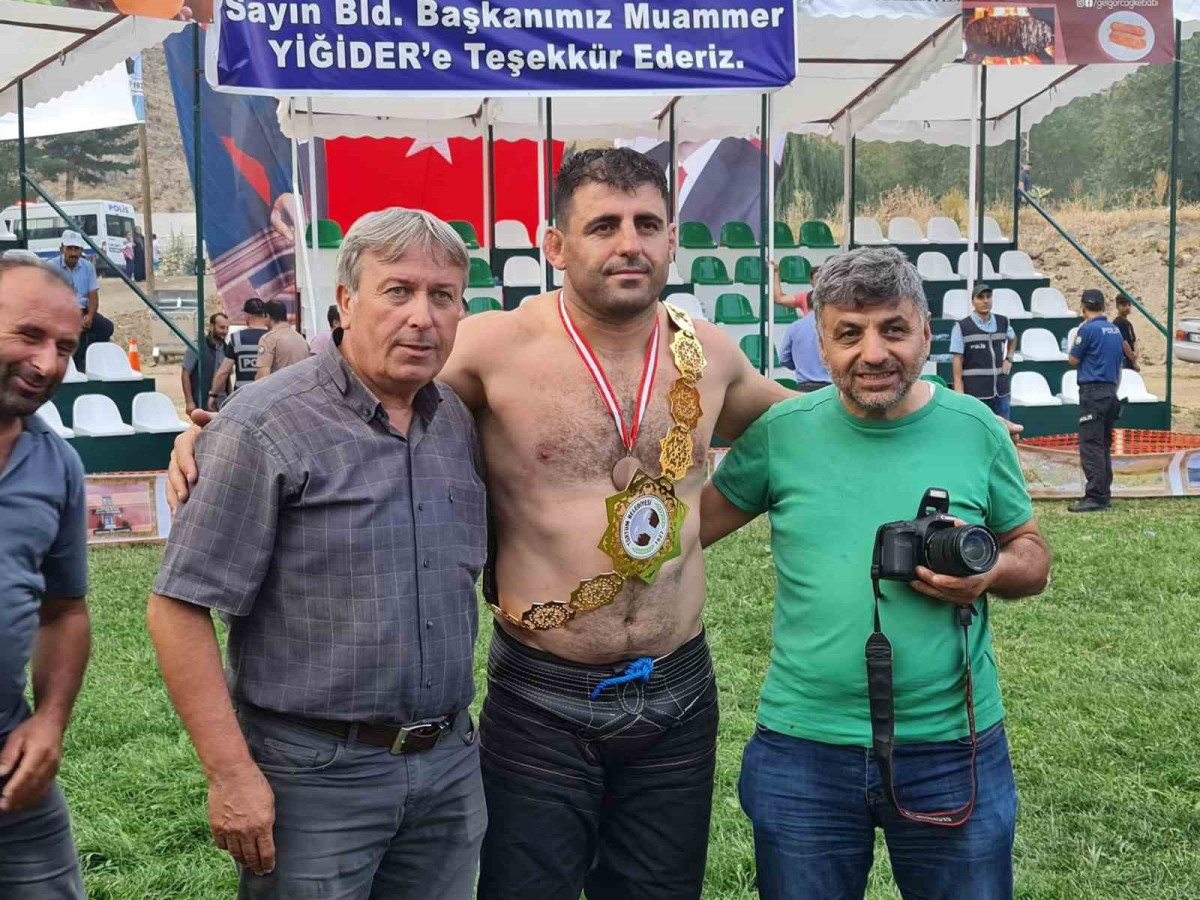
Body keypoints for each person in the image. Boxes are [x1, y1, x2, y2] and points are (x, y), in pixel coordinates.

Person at [167, 149, 793, 900]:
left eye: (647, 224)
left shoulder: (709, 354)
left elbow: (810, 427)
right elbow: (350, 387)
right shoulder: (488, 346)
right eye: (603, 225)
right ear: (555, 245)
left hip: (677, 689)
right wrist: (215, 432)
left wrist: (694, 525)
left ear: (672, 240)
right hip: (542, 695)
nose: (629, 243)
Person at [147, 209, 487, 899]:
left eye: (442, 296)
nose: (421, 317)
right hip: (314, 777)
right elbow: (178, 609)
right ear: (346, 301)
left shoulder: (455, 420)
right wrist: (229, 775)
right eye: (397, 291)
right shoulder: (263, 425)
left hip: (448, 768)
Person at [700, 247, 1051, 900]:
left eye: (893, 329)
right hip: (803, 748)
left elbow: (1031, 555)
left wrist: (991, 571)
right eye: (849, 334)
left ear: (925, 332)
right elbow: (680, 536)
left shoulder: (975, 428)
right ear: (820, 343)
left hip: (952, 745)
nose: (873, 353)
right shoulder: (782, 433)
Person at [0, 257, 93, 899]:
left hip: (10, 761)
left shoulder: (55, 464)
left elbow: (64, 609)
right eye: (29, 336)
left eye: (64, 347)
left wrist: (51, 719)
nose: (47, 363)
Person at [1067, 289, 1125, 513]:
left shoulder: (1087, 329)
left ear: (1083, 307)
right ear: (1103, 306)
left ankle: (1095, 496)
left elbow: (1073, 359)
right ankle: (1103, 492)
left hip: (1092, 393)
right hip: (1110, 391)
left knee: (1091, 445)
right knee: (1103, 445)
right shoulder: (1115, 330)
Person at [950, 283, 1016, 419]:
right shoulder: (961, 327)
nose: (985, 301)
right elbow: (957, 360)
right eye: (980, 297)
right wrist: (959, 392)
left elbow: (1013, 339)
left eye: (988, 297)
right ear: (973, 301)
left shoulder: (1003, 321)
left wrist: (1009, 359)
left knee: (1003, 430)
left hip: (1001, 392)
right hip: (975, 394)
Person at [49, 230, 113, 370]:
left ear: (81, 250)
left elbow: (93, 295)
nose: (73, 253)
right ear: (62, 249)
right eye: (69, 248)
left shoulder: (88, 267)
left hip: (82, 310)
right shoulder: (51, 267)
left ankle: (91, 360)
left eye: (76, 249)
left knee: (106, 327)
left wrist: (90, 316)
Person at [210, 297, 270, 394]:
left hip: (242, 395)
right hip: (267, 395)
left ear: (246, 315)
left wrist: (213, 394)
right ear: (264, 315)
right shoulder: (273, 338)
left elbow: (223, 373)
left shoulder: (236, 338)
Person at [182, 312, 232, 414]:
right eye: (222, 327)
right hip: (201, 401)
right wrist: (189, 401)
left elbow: (227, 377)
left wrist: (230, 398)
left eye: (227, 328)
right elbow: (185, 374)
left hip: (222, 402)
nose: (225, 331)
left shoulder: (227, 349)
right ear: (212, 327)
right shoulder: (197, 346)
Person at [254, 298, 311, 380]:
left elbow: (263, 376)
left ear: (267, 316)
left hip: (277, 387)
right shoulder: (300, 338)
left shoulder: (268, 339)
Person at [1113, 294, 1139, 371]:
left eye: (1129, 305)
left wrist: (1135, 354)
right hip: (1124, 361)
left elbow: (1133, 340)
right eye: (1124, 305)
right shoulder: (1118, 322)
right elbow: (1124, 343)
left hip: (1130, 360)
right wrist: (1133, 361)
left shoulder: (1128, 323)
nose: (1127, 308)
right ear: (1117, 306)